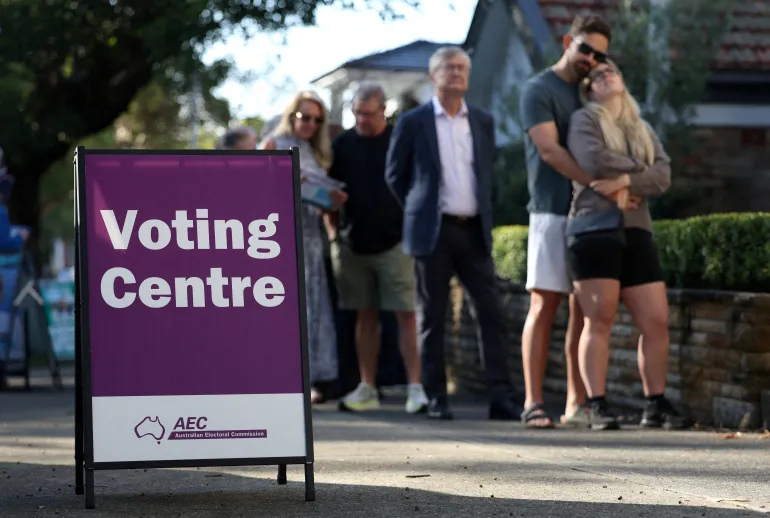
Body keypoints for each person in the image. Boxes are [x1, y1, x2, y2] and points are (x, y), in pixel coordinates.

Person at [386, 46, 522, 421]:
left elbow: (485, 173)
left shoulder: (481, 120)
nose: (457, 73)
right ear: (433, 76)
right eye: (449, 67)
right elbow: (395, 175)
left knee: (491, 313)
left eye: (463, 67)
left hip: (473, 231)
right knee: (432, 316)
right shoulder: (412, 121)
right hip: (433, 231)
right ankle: (435, 397)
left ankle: (501, 398)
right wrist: (420, 207)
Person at [566, 61, 692, 431]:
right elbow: (592, 161)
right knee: (599, 318)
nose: (607, 77)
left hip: (637, 229)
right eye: (598, 76)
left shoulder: (642, 127)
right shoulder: (583, 121)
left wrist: (624, 181)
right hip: (592, 229)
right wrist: (640, 170)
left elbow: (664, 174)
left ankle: (655, 404)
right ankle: (597, 404)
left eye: (612, 72)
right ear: (589, 90)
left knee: (656, 320)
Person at [517, 15, 622, 429]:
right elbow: (549, 151)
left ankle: (577, 404)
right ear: (567, 42)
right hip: (549, 209)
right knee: (544, 305)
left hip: (589, 216)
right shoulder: (538, 89)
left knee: (582, 310)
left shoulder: (588, 93)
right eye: (586, 49)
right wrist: (599, 182)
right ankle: (533, 402)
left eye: (600, 54)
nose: (592, 59)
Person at [327, 82, 429, 414]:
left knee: (406, 314)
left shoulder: (400, 139)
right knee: (364, 315)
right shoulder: (343, 144)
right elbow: (330, 192)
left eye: (367, 114)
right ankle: (367, 386)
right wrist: (333, 227)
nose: (361, 119)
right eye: (356, 113)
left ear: (383, 110)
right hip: (355, 243)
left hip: (396, 242)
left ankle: (415, 387)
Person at [259, 91, 348, 404]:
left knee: (310, 307)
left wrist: (331, 200)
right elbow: (252, 187)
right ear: (292, 115)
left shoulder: (316, 151)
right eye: (305, 117)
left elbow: (320, 200)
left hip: (309, 236)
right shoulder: (273, 143)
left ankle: (307, 379)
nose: (311, 123)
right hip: (276, 237)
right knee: (282, 306)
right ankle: (279, 376)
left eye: (317, 119)